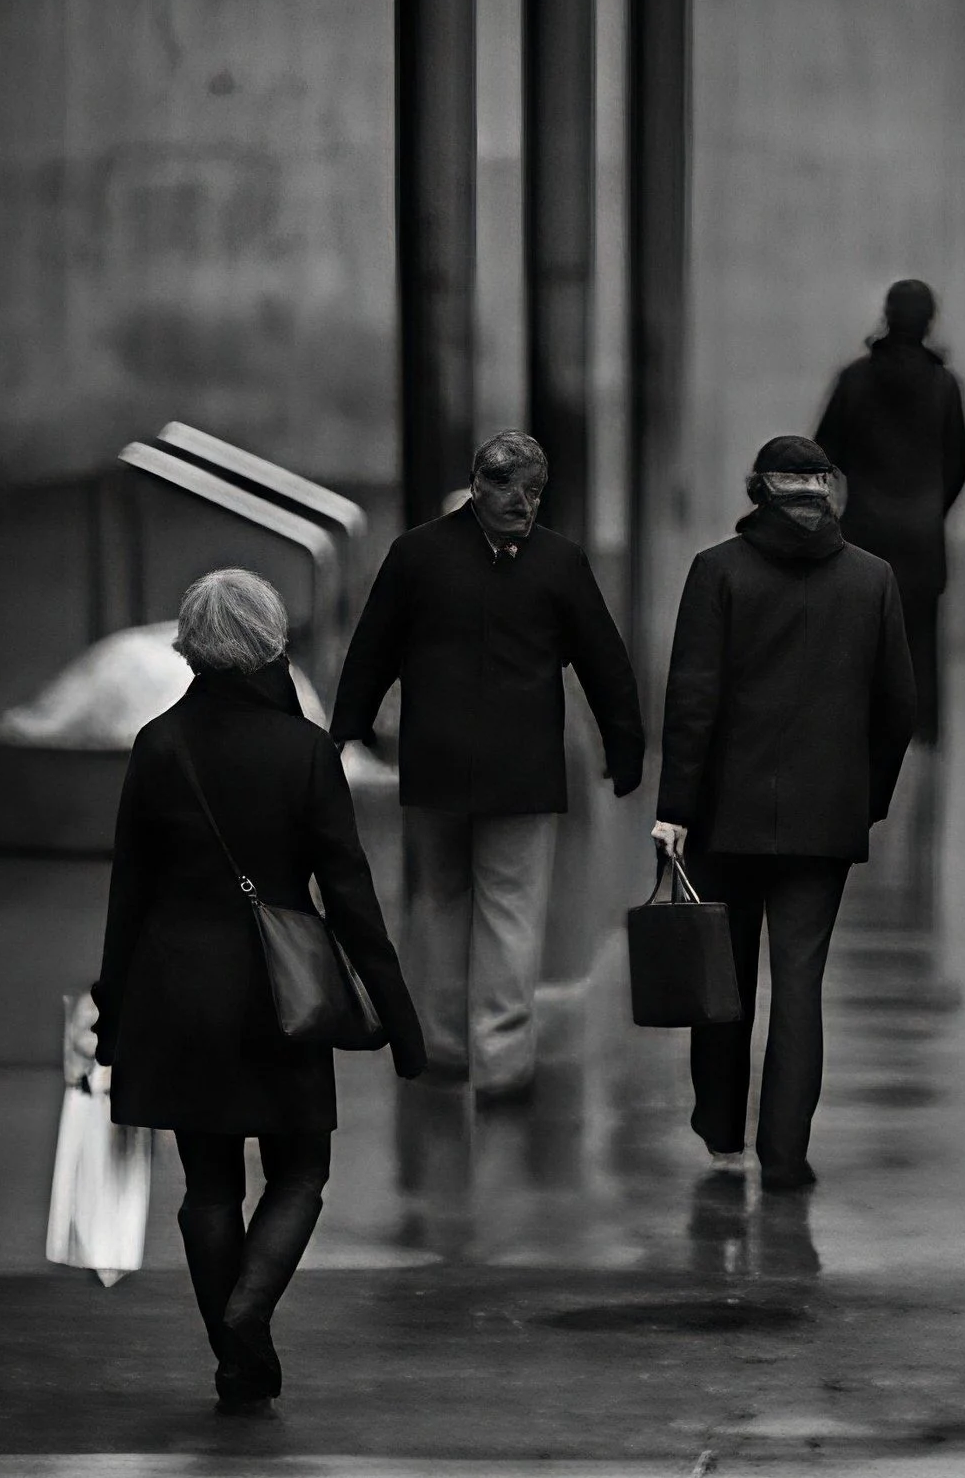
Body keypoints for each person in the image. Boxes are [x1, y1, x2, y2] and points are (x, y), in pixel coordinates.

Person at [98, 570, 424, 1409]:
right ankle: (249, 1309)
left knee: (207, 1185)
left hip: (176, 990)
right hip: (283, 994)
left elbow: (127, 892)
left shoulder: (157, 745)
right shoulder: (306, 751)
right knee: (301, 1170)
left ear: (191, 642)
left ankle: (236, 1356)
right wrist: (397, 1014)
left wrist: (112, 1008)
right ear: (272, 641)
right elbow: (349, 893)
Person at [328, 430, 644, 1100]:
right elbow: (604, 662)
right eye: (517, 490)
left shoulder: (416, 556)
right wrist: (625, 747)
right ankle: (501, 1058)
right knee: (511, 907)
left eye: (530, 492)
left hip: (437, 763)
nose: (524, 504)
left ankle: (443, 1043)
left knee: (440, 899)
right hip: (522, 770)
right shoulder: (559, 563)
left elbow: (372, 649)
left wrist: (347, 727)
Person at [651, 437, 917, 1192]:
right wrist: (864, 800)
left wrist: (675, 808)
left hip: (723, 816)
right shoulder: (873, 580)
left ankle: (722, 1131)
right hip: (824, 819)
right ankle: (788, 1153)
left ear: (756, 492)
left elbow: (692, 700)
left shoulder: (717, 572)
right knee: (801, 983)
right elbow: (898, 709)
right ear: (827, 492)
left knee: (722, 979)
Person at [815, 280, 965, 749]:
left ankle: (862, 731)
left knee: (862, 641)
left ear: (886, 315)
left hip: (864, 531)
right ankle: (922, 737)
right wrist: (930, 507)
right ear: (928, 321)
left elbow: (823, 452)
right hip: (922, 538)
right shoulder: (944, 386)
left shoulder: (854, 380)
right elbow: (960, 462)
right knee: (921, 644)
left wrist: (848, 506)